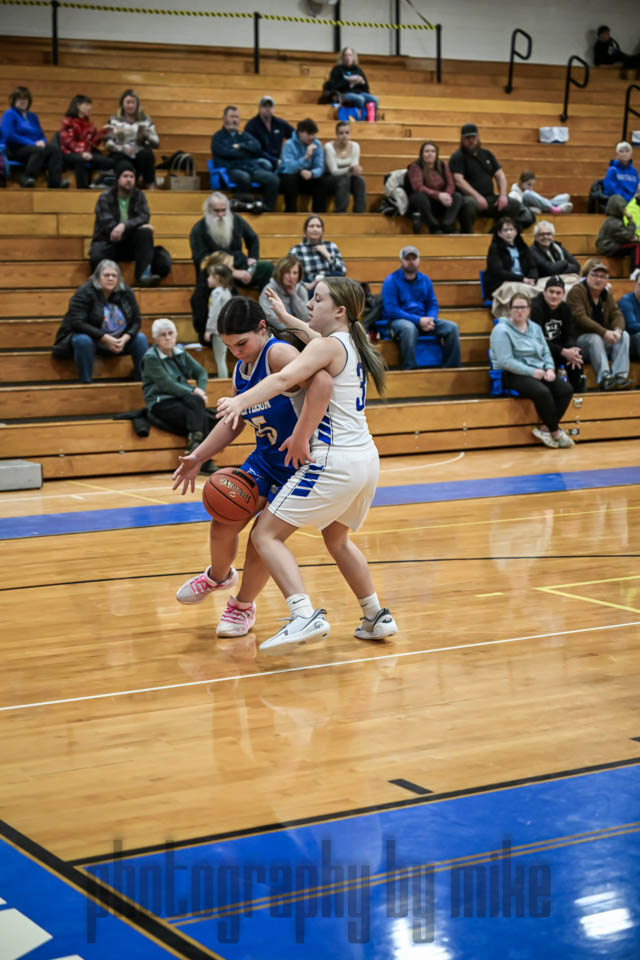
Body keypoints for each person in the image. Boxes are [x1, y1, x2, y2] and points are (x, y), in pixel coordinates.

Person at [216, 279, 397, 652]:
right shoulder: (352, 344)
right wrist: (287, 318)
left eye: (317, 298)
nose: (310, 304)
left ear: (340, 310)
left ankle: (302, 615)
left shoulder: (327, 347)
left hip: (333, 460)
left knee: (265, 535)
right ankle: (375, 615)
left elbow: (283, 377)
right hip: (366, 459)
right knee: (337, 539)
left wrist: (240, 402)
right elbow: (313, 336)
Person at [171, 297, 333, 640]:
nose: (236, 353)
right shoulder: (241, 367)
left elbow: (322, 386)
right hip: (265, 460)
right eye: (229, 347)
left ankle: (242, 606)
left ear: (262, 328)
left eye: (241, 344)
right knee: (223, 521)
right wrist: (197, 456)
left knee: (261, 538)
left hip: (298, 464)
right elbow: (234, 421)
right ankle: (218, 577)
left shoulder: (279, 354)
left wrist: (302, 435)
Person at [490, 292, 575, 449]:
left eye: (523, 307)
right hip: (512, 373)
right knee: (542, 392)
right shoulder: (501, 330)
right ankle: (556, 432)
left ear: (529, 310)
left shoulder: (535, 328)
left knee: (565, 389)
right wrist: (532, 372)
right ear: (509, 310)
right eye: (516, 307)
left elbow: (546, 352)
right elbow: (505, 361)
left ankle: (544, 429)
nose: (519, 311)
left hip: (539, 370)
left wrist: (550, 368)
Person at [188, 192, 273, 339]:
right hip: (215, 272)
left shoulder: (236, 220)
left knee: (267, 268)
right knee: (203, 292)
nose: (221, 214)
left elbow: (253, 238)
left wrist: (252, 258)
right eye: (217, 211)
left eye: (224, 210)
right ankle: (209, 335)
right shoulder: (198, 229)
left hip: (241, 264)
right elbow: (203, 260)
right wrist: (231, 272)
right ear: (208, 210)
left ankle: (268, 315)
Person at [52, 259, 147, 383]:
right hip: (93, 340)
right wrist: (104, 338)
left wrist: (124, 339)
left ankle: (144, 382)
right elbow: (77, 323)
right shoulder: (84, 292)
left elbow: (136, 320)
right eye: (106, 275)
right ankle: (86, 382)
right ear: (97, 277)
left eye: (114, 275)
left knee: (140, 339)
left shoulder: (126, 292)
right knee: (82, 340)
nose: (110, 278)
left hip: (118, 341)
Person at [141, 317, 215, 470]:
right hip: (161, 402)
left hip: (184, 399)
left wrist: (201, 390)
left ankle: (195, 447)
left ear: (175, 335)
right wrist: (194, 391)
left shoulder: (180, 352)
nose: (168, 337)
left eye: (170, 333)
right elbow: (167, 385)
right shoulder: (151, 358)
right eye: (163, 335)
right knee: (203, 416)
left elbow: (201, 372)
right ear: (156, 339)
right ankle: (202, 460)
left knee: (207, 413)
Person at [381, 246, 461, 370]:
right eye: (407, 259)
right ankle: (410, 369)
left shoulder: (425, 280)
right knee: (409, 328)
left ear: (419, 260)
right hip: (399, 322)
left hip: (424, 321)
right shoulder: (391, 280)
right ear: (401, 261)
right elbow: (392, 310)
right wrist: (418, 320)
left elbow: (432, 304)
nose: (411, 261)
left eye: (414, 258)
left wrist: (431, 319)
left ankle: (451, 368)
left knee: (452, 328)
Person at [88, 161, 161, 286]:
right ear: (118, 179)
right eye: (125, 176)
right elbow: (109, 226)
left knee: (146, 233)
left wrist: (124, 226)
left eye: (132, 177)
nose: (129, 180)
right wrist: (132, 227)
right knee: (96, 256)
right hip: (109, 242)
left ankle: (143, 277)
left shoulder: (139, 195)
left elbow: (144, 216)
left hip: (128, 243)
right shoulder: (105, 197)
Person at [567, 258, 633, 390]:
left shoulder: (606, 294)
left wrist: (617, 331)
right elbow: (580, 318)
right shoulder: (577, 291)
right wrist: (604, 332)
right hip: (579, 342)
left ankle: (619, 376)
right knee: (594, 338)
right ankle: (604, 377)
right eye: (595, 275)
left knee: (624, 335)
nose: (598, 279)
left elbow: (617, 314)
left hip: (602, 340)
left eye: (602, 277)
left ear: (607, 280)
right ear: (587, 276)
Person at [448, 123, 523, 233]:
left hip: (489, 198)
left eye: (473, 137)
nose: (471, 141)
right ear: (462, 139)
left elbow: (500, 175)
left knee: (514, 204)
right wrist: (477, 196)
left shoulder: (487, 154)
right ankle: (466, 235)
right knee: (468, 205)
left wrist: (503, 195)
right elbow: (459, 181)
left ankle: (496, 233)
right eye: (467, 138)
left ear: (478, 137)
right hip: (470, 198)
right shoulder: (457, 157)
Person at [211, 105, 279, 211]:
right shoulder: (217, 137)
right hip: (231, 168)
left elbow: (257, 146)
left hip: (250, 167)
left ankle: (267, 210)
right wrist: (246, 150)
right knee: (244, 177)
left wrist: (240, 146)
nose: (234, 120)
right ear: (224, 118)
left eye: (236, 117)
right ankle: (244, 209)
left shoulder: (244, 135)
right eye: (232, 116)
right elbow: (226, 153)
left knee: (273, 179)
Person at [0, 85, 66, 188]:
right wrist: (33, 143)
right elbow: (9, 136)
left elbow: (40, 135)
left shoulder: (32, 116)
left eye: (25, 99)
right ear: (14, 100)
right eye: (20, 99)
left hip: (32, 148)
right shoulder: (9, 114)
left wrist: (43, 141)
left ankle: (55, 182)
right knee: (39, 150)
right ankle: (27, 177)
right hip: (14, 149)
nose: (23, 101)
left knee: (55, 149)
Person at [530, 277, 586, 392]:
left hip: (558, 349)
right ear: (544, 292)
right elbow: (538, 340)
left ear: (563, 294)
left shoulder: (565, 308)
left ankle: (578, 391)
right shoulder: (535, 307)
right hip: (539, 350)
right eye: (551, 292)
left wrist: (571, 350)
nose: (554, 296)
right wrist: (563, 351)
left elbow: (570, 333)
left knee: (576, 357)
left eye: (558, 293)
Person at [103, 88, 158, 189]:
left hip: (139, 154)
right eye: (128, 102)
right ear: (122, 104)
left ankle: (150, 185)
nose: (131, 105)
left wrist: (147, 136)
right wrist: (122, 149)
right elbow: (107, 143)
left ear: (137, 104)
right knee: (126, 167)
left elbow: (156, 142)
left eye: (133, 103)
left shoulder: (146, 120)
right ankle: (128, 188)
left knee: (148, 154)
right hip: (120, 154)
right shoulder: (114, 120)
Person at [58, 93, 115, 190]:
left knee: (109, 162)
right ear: (78, 106)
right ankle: (83, 189)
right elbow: (68, 142)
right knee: (80, 160)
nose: (90, 107)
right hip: (69, 153)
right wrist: (82, 152)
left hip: (87, 152)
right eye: (87, 104)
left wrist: (104, 131)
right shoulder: (68, 121)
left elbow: (94, 142)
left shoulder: (89, 124)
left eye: (90, 105)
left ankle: (99, 182)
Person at [484, 217, 539, 315]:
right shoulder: (495, 248)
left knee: (548, 287)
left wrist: (532, 279)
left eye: (511, 230)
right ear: (499, 233)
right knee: (522, 290)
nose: (509, 233)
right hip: (503, 283)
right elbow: (498, 272)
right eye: (505, 230)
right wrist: (522, 279)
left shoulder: (522, 247)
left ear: (516, 232)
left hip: (524, 282)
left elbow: (532, 266)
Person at [406, 140, 462, 234]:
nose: (430, 154)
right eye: (426, 151)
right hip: (423, 199)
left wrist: (447, 195)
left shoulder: (442, 165)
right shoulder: (416, 166)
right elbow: (418, 187)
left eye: (433, 151)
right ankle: (433, 226)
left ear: (436, 154)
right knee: (420, 197)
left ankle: (446, 225)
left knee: (457, 196)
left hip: (440, 200)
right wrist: (438, 195)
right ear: (422, 154)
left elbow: (451, 184)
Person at [278, 118, 329, 213]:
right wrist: (306, 157)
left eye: (313, 134)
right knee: (290, 179)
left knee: (322, 182)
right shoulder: (289, 144)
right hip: (290, 176)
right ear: (300, 132)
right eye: (309, 134)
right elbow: (289, 168)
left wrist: (312, 173)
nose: (312, 137)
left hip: (307, 175)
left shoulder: (316, 144)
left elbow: (320, 167)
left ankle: (318, 215)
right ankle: (290, 213)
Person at [288, 215, 346, 292]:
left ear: (322, 230)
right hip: (310, 287)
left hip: (331, 286)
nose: (315, 229)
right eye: (311, 226)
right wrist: (305, 285)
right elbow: (289, 274)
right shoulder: (296, 250)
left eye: (318, 226)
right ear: (305, 230)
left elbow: (342, 271)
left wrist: (327, 255)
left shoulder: (331, 246)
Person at [324, 122, 366, 213]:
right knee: (344, 180)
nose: (344, 136)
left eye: (347, 133)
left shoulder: (355, 146)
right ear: (336, 134)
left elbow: (354, 168)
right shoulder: (328, 147)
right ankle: (340, 212)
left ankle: (359, 213)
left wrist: (354, 170)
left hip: (347, 177)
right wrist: (349, 169)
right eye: (341, 133)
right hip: (329, 178)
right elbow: (334, 171)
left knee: (360, 180)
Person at [259, 255, 309, 331]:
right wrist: (292, 331)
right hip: (277, 332)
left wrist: (294, 295)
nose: (291, 276)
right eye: (287, 272)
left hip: (299, 331)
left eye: (295, 273)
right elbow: (270, 317)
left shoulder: (301, 290)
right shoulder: (270, 289)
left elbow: (305, 317)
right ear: (280, 272)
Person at [244, 95, 294, 171]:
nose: (267, 109)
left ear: (273, 108)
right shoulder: (251, 126)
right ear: (259, 108)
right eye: (265, 106)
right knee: (266, 164)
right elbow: (255, 150)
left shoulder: (280, 123)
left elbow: (295, 135)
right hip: (260, 159)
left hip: (278, 159)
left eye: (270, 106)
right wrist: (275, 161)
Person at [596, 195, 640, 280]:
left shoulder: (614, 220)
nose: (625, 210)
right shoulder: (613, 223)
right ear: (618, 209)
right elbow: (629, 236)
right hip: (608, 247)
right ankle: (636, 270)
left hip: (612, 245)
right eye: (623, 208)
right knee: (636, 245)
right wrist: (630, 220)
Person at [327, 47, 378, 120]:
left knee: (375, 99)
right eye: (346, 55)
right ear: (342, 57)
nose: (348, 58)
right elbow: (333, 86)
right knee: (360, 99)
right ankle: (360, 120)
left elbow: (367, 89)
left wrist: (362, 82)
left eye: (350, 55)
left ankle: (374, 120)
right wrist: (348, 81)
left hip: (359, 92)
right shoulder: (337, 69)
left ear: (353, 57)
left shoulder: (358, 69)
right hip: (344, 93)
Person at [205, 262, 233, 378]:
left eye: (210, 276)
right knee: (222, 358)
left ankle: (223, 381)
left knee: (220, 359)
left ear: (217, 278)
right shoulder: (227, 291)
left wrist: (209, 329)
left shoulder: (216, 292)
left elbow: (214, 312)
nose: (208, 279)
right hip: (225, 329)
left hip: (218, 331)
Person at [508, 170, 572, 215]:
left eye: (532, 185)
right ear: (521, 182)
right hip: (530, 208)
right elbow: (518, 210)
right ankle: (553, 209)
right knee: (527, 194)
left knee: (566, 196)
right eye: (529, 185)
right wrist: (530, 209)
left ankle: (552, 205)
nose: (531, 188)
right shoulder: (513, 195)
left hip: (542, 204)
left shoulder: (526, 191)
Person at [619, 274, 640, 360]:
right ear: (635, 284)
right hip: (631, 340)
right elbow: (632, 325)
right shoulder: (626, 300)